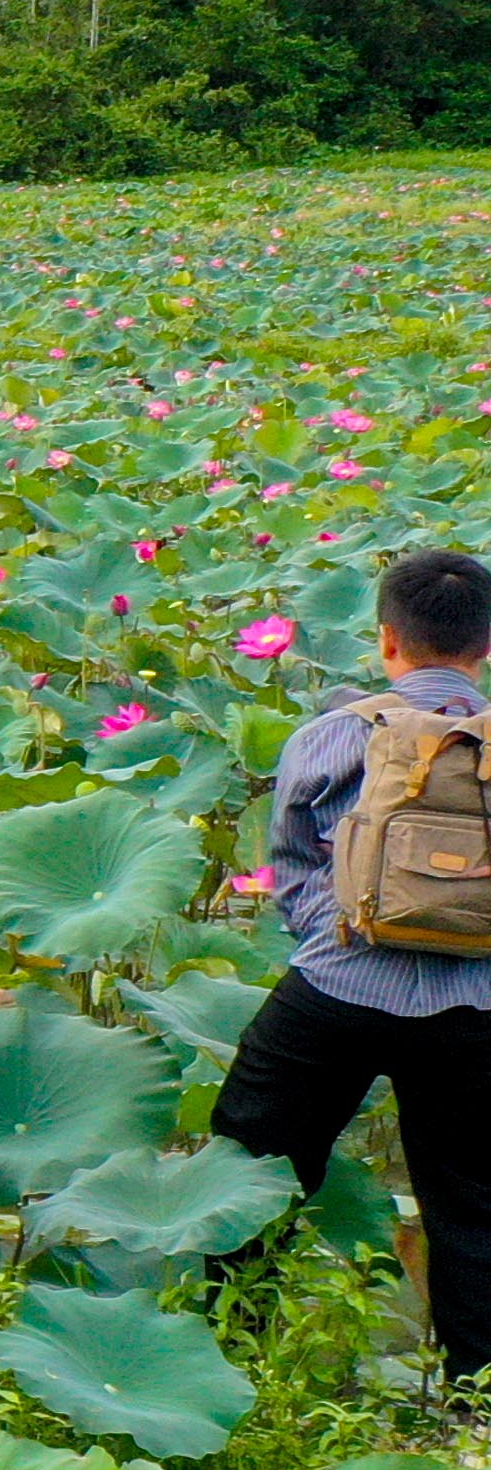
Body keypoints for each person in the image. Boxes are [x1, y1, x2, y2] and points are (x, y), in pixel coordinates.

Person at [207, 544, 491, 1388]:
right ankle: (476, 1413)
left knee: (251, 1166)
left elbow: (290, 857)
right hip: (477, 1004)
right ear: (484, 647)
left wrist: (340, 933)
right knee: (475, 1209)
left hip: (337, 985)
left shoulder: (335, 733)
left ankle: (233, 1357)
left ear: (387, 641)